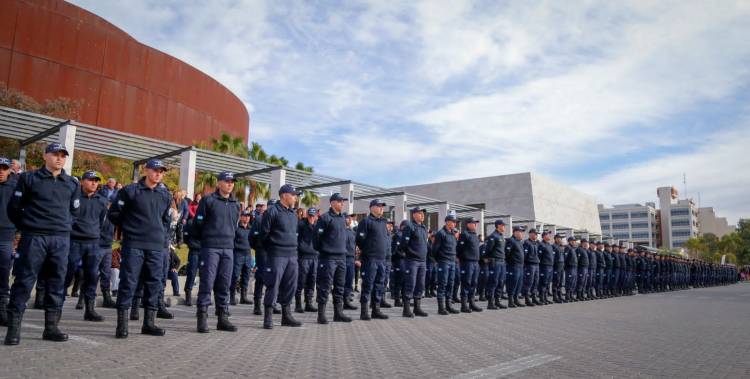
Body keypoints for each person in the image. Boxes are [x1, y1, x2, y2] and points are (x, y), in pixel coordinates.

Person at [4, 143, 81, 345]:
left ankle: (51, 327)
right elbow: (14, 208)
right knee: (24, 281)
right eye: (55, 154)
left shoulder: (72, 183)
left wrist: (62, 227)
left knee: (57, 282)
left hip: (60, 239)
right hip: (34, 237)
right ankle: (13, 330)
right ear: (45, 156)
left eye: (63, 155)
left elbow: (75, 213)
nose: (59, 158)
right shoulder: (28, 178)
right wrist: (29, 227)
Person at [110, 159, 172, 339]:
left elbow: (166, 220)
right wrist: (130, 227)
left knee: (154, 283)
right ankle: (122, 326)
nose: (158, 173)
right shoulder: (130, 191)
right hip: (134, 244)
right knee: (128, 282)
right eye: (155, 170)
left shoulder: (165, 194)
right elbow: (114, 214)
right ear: (146, 170)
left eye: (161, 171)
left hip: (156, 247)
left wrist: (162, 237)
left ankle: (149, 323)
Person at [194, 171, 240, 333]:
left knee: (224, 284)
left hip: (228, 248)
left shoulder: (235, 203)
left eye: (232, 181)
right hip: (210, 247)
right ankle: (202, 317)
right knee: (207, 282)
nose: (230, 184)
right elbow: (198, 224)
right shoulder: (208, 200)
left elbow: (235, 225)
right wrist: (206, 240)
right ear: (219, 183)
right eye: (227, 181)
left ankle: (222, 318)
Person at [66, 171, 108, 322]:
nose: (94, 183)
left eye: (96, 181)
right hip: (74, 241)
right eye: (90, 180)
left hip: (93, 243)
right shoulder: (73, 197)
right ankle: (55, 305)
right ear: (82, 181)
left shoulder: (102, 201)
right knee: (67, 273)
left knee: (92, 276)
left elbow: (101, 221)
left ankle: (89, 310)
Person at [259, 185, 302, 329]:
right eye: (294, 195)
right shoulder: (272, 212)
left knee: (291, 286)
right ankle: (268, 317)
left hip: (292, 255)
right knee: (273, 285)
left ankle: (286, 316)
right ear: (284, 195)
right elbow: (263, 235)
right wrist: (273, 248)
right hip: (277, 254)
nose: (296, 198)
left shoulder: (293, 213)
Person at [314, 193, 353, 324]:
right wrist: (325, 250)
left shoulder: (342, 218)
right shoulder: (325, 218)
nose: (342, 203)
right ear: (332, 203)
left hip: (342, 257)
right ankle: (321, 315)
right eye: (339, 201)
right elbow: (316, 239)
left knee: (340, 287)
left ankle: (338, 313)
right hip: (328, 258)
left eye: (343, 201)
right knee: (325, 286)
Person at [355, 199, 390, 320]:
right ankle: (364, 312)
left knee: (379, 285)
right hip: (370, 259)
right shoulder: (366, 221)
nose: (381, 208)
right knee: (368, 285)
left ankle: (376, 310)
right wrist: (368, 250)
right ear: (371, 208)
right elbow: (360, 240)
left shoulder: (383, 222)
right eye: (379, 206)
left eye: (382, 206)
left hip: (382, 260)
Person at [400, 207, 429, 318]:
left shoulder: (423, 227)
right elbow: (403, 244)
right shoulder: (409, 227)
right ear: (414, 215)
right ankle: (406, 309)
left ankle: (417, 308)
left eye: (423, 213)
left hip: (422, 261)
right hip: (412, 261)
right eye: (420, 213)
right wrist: (410, 254)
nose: (422, 215)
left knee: (420, 285)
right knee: (410, 284)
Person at [0, 157, 17, 327]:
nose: (1, 171)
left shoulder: (15, 187)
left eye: (4, 168)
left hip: (6, 235)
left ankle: (2, 310)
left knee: (3, 272)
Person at [295, 207, 319, 313]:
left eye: (313, 216)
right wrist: (310, 224)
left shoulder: (318, 226)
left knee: (311, 281)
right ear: (307, 215)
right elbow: (296, 239)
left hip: (315, 257)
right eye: (310, 215)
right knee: (301, 281)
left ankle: (308, 303)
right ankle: (298, 304)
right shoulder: (301, 224)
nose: (312, 218)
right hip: (303, 257)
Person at [457, 217, 483, 313]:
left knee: (474, 283)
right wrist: (462, 259)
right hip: (467, 263)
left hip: (475, 262)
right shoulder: (464, 234)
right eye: (473, 223)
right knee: (466, 283)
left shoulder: (475, 235)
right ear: (468, 224)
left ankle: (472, 303)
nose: (475, 225)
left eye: (476, 223)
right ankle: (464, 305)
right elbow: (459, 249)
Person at [483, 219, 507, 310]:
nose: (504, 227)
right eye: (503, 225)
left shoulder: (501, 236)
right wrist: (487, 258)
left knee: (501, 282)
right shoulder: (493, 236)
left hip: (502, 261)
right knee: (494, 282)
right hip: (495, 261)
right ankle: (490, 303)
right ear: (498, 226)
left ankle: (497, 301)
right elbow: (488, 249)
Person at [231, 210, 253, 306]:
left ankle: (243, 297)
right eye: (245, 215)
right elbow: (232, 241)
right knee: (235, 276)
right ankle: (232, 296)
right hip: (238, 254)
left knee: (246, 276)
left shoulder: (250, 228)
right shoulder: (236, 228)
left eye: (249, 216)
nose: (247, 217)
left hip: (248, 254)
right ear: (241, 217)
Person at [505, 226, 525, 308]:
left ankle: (516, 299)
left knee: (519, 284)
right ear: (515, 232)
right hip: (513, 266)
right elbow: (507, 253)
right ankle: (510, 301)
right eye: (520, 232)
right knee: (512, 283)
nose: (522, 234)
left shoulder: (519, 242)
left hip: (520, 266)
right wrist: (510, 263)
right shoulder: (511, 241)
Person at [522, 229, 541, 306]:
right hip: (529, 265)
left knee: (536, 282)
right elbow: (524, 255)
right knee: (529, 282)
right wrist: (525, 264)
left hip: (536, 264)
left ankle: (534, 297)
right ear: (530, 234)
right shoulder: (526, 243)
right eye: (535, 234)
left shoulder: (537, 243)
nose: (536, 235)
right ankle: (527, 299)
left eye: (537, 234)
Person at [537, 231, 555, 305]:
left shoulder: (549, 245)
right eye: (548, 235)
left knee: (547, 283)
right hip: (544, 266)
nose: (549, 236)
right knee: (543, 283)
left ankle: (545, 298)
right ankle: (542, 298)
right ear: (544, 236)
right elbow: (539, 256)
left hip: (550, 266)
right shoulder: (541, 245)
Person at [564, 237, 579, 302]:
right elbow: (565, 257)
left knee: (573, 282)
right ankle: (568, 296)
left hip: (574, 267)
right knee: (569, 282)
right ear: (569, 241)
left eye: (575, 241)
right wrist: (566, 266)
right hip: (570, 268)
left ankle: (571, 295)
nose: (574, 242)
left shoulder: (573, 248)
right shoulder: (568, 247)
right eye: (573, 241)